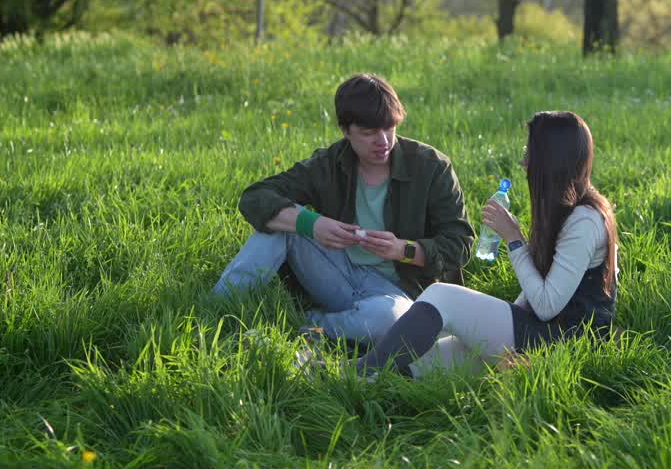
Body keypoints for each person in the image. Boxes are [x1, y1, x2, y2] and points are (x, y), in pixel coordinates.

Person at [332, 110, 619, 378]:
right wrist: (497, 318)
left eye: (529, 152)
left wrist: (514, 240)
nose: (524, 162)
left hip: (565, 345)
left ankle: (354, 371)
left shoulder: (585, 221)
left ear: (548, 160)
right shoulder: (564, 209)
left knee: (442, 296)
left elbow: (545, 306)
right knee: (419, 363)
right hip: (545, 333)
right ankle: (357, 376)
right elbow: (541, 292)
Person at [213, 74, 474, 345]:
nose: (383, 141)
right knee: (278, 220)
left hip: (398, 292)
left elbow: (460, 244)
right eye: (368, 132)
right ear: (346, 131)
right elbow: (255, 197)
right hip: (334, 270)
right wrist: (311, 224)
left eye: (389, 128)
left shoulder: (431, 166)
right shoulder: (328, 164)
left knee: (392, 320)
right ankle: (217, 312)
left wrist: (403, 249)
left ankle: (302, 326)